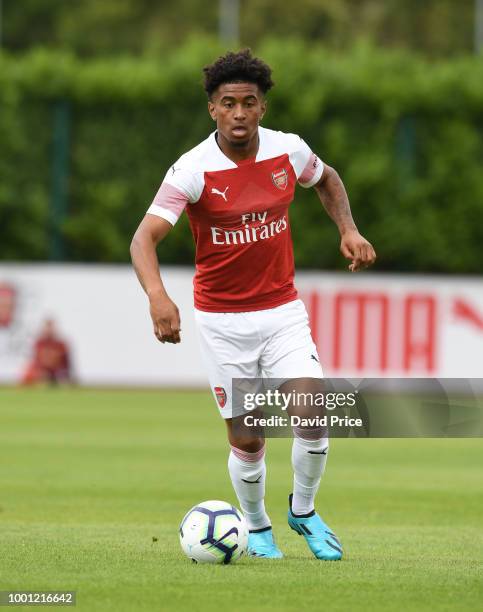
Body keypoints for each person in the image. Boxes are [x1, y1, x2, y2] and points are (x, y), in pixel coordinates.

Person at [130, 49, 376, 560]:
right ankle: (257, 525)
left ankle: (303, 511)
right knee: (248, 441)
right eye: (228, 103)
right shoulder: (193, 170)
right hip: (222, 322)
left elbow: (326, 179)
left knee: (314, 414)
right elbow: (143, 240)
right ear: (212, 110)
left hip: (282, 312)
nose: (239, 113)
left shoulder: (288, 151)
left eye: (249, 102)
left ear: (263, 107)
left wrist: (348, 229)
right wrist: (158, 296)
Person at [21, 318, 73, 386]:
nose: (49, 330)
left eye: (51, 327)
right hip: (41, 375)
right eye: (47, 327)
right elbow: (35, 362)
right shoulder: (39, 343)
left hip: (56, 375)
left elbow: (66, 365)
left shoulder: (61, 345)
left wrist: (62, 376)